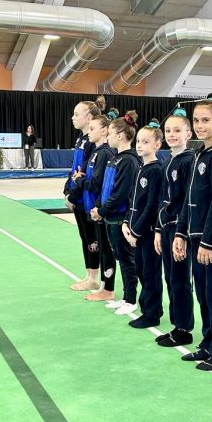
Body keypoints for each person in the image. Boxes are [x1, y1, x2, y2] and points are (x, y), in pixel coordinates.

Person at [173, 94, 212, 371]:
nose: (200, 125)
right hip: (196, 237)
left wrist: (208, 242)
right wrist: (181, 232)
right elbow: (190, 199)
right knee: (204, 294)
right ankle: (209, 343)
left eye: (206, 120)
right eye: (196, 120)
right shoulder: (200, 153)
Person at [91, 111, 141, 316]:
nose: (108, 137)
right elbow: (106, 188)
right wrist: (98, 208)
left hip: (120, 218)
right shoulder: (115, 159)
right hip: (110, 218)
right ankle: (126, 297)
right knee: (120, 258)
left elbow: (120, 194)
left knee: (127, 260)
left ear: (120, 135)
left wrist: (102, 211)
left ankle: (131, 299)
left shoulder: (129, 161)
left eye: (110, 133)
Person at [154, 108, 195, 347]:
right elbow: (163, 199)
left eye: (177, 130)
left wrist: (182, 232)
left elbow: (187, 200)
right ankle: (176, 324)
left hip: (180, 229)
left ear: (188, 133)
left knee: (180, 280)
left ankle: (184, 328)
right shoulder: (168, 161)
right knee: (170, 278)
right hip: (167, 227)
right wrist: (159, 230)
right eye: (168, 130)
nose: (171, 134)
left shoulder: (189, 161)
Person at [122, 119, 164, 328]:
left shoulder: (156, 170)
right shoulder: (140, 168)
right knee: (141, 270)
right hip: (135, 231)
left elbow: (152, 206)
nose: (140, 145)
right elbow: (133, 201)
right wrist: (126, 222)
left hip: (147, 233)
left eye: (145, 142)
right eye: (138, 141)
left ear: (157, 145)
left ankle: (152, 312)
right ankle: (146, 307)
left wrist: (136, 232)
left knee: (150, 273)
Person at [79, 109, 118, 302]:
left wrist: (80, 180)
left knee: (106, 249)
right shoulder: (96, 152)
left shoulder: (105, 153)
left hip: (100, 208)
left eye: (93, 128)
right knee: (101, 247)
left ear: (104, 131)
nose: (89, 132)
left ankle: (108, 288)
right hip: (93, 207)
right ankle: (103, 285)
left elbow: (98, 184)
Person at [64, 99, 103, 291]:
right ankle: (89, 274)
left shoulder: (92, 143)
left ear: (89, 118)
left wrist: (73, 196)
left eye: (76, 114)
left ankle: (94, 276)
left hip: (86, 199)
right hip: (77, 197)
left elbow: (85, 173)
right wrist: (67, 190)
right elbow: (74, 169)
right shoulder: (80, 140)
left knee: (91, 238)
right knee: (84, 237)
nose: (73, 118)